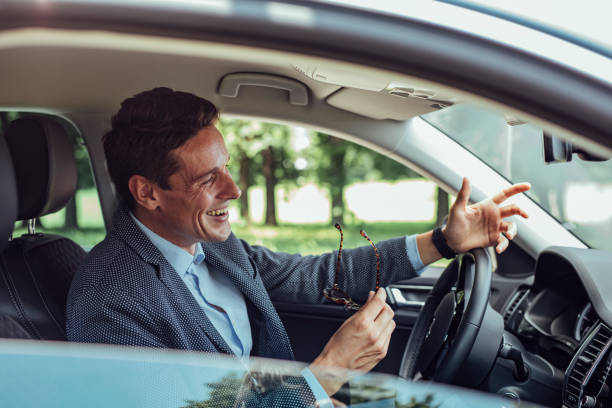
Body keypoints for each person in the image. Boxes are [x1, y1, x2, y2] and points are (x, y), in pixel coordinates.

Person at [66, 87, 529, 406]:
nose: (235, 189)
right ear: (147, 193)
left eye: (226, 166)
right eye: (209, 178)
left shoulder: (213, 248)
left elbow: (315, 276)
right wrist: (329, 370)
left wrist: (443, 241)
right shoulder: (110, 298)